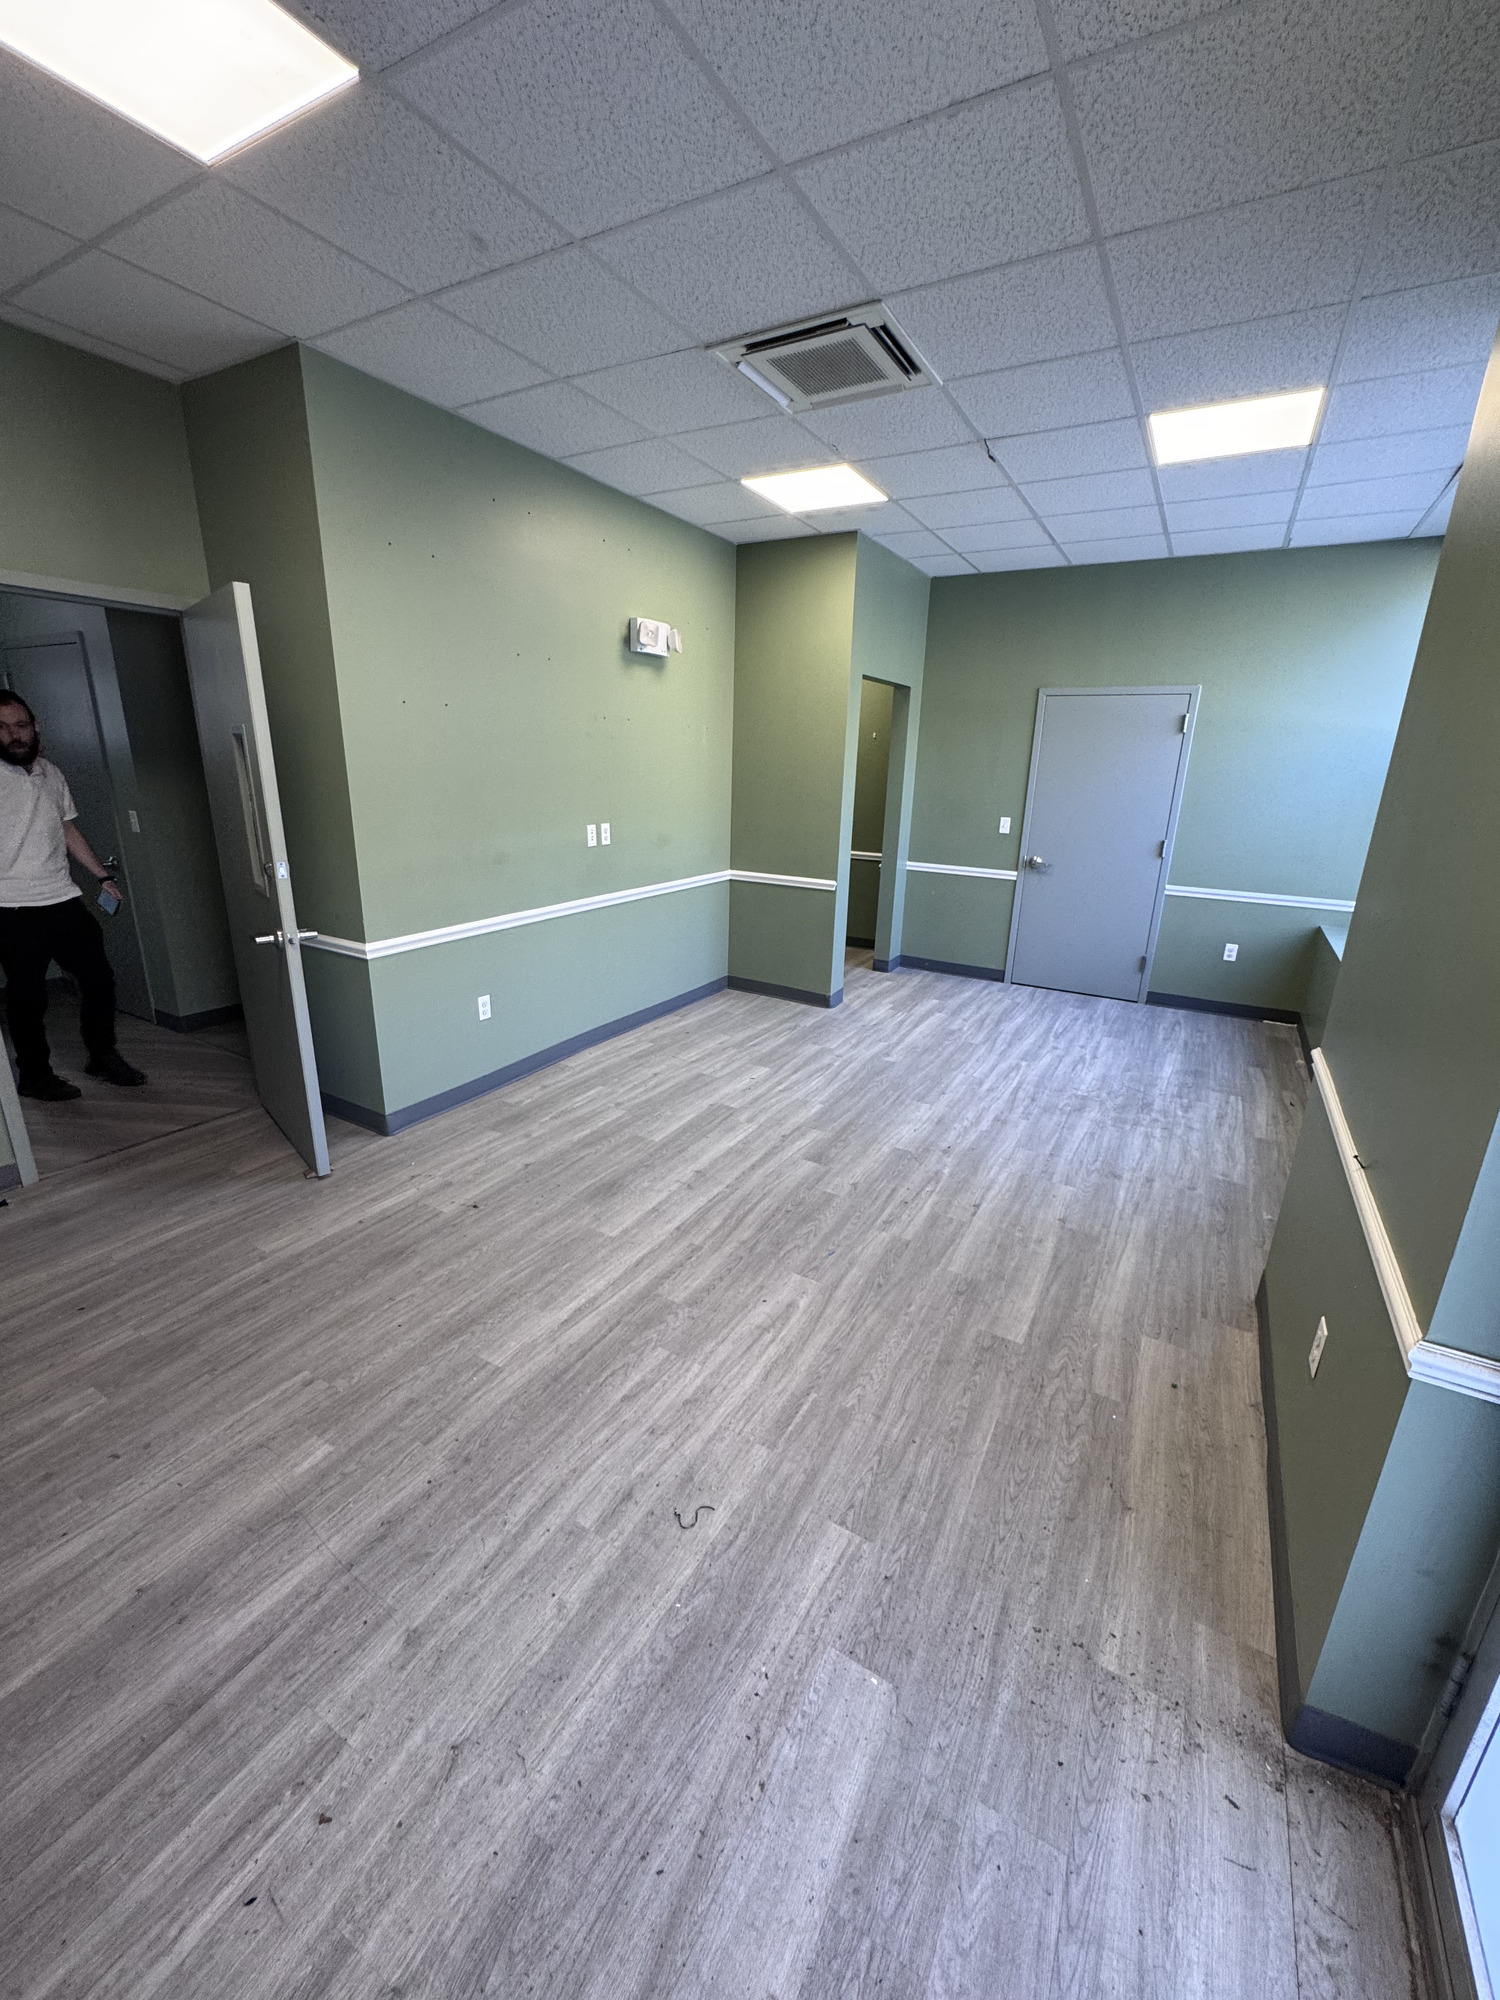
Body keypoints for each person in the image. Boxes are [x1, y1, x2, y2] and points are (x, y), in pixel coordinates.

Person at [0, 689, 146, 1100]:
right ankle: (35, 1076)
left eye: (20, 725)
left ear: (35, 727)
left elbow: (66, 828)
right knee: (27, 996)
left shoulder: (51, 773)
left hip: (62, 898)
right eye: (2, 728)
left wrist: (102, 877)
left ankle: (102, 1055)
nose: (13, 734)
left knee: (99, 980)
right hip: (10, 906)